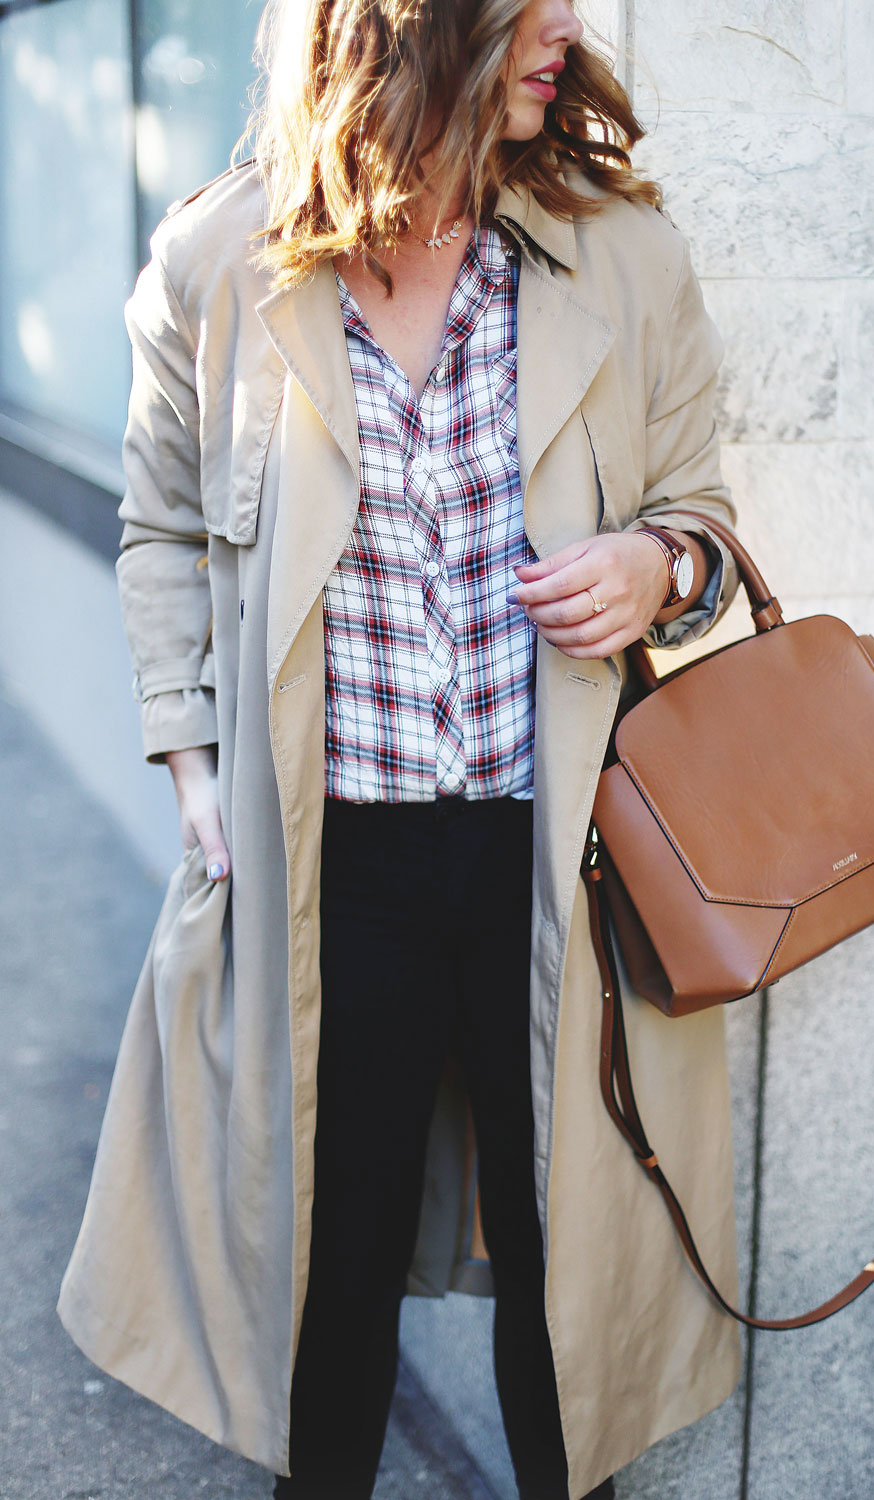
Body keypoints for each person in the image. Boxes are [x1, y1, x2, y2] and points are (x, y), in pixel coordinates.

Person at [58, 1, 745, 1496]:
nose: (563, 24)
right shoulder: (218, 267)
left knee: (567, 1264)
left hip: (554, 853)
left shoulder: (618, 255)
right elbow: (160, 527)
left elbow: (704, 509)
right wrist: (191, 770)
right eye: (524, 2)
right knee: (329, 1257)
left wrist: (655, 566)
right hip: (333, 855)